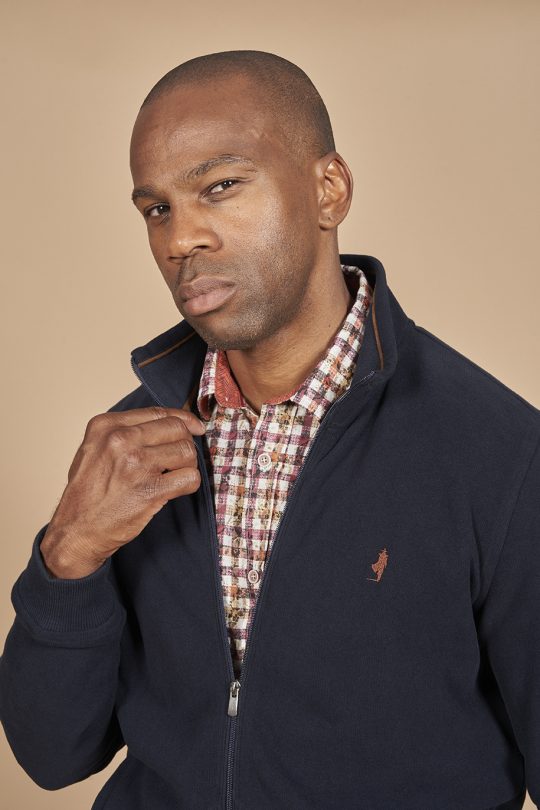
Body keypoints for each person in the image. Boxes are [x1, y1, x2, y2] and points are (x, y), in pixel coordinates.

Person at [0, 49, 538, 810]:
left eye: (220, 186)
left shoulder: (501, 454)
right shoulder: (134, 449)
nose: (180, 239)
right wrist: (69, 553)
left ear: (328, 190)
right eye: (156, 209)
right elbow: (51, 754)